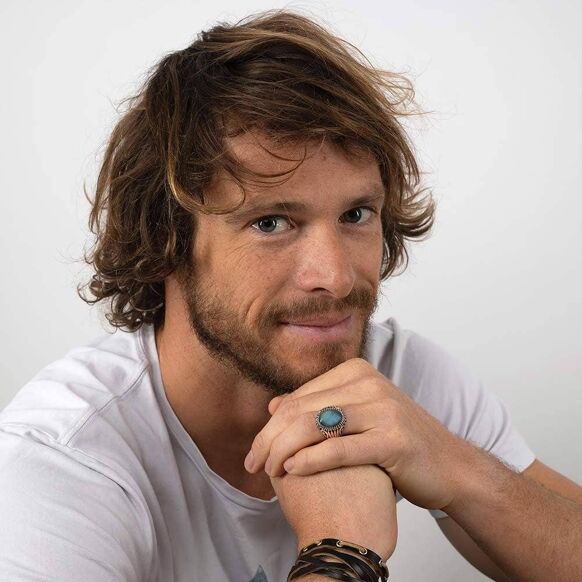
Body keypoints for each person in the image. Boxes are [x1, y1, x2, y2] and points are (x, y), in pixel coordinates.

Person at [0, 8, 581, 582]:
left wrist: (457, 468)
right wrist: (342, 551)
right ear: (166, 241)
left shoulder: (397, 379)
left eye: (356, 214)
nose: (336, 276)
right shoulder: (60, 458)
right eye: (271, 223)